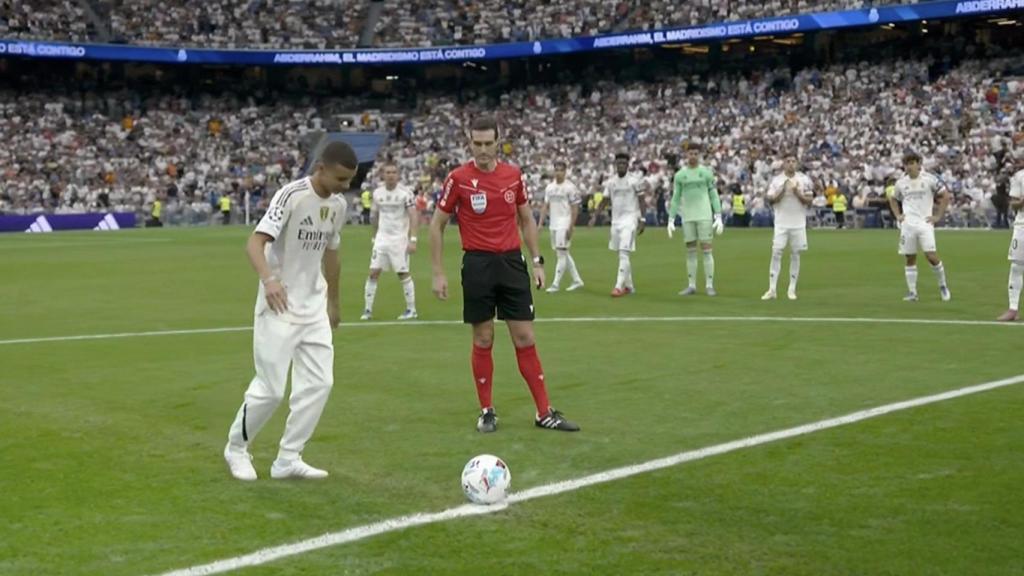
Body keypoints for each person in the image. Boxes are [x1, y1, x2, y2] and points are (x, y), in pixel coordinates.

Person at [429, 115, 579, 433]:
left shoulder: (513, 175)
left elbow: (525, 220)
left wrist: (537, 261)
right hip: (478, 264)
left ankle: (543, 412)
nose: (482, 149)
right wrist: (438, 272)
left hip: (511, 263)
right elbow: (436, 225)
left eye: (488, 143)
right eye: (477, 143)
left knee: (525, 337)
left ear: (499, 142)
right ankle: (487, 410)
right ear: (470, 143)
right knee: (483, 338)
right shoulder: (458, 178)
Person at [223, 141, 357, 481]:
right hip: (279, 305)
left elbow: (332, 254)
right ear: (321, 168)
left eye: (350, 180)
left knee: (320, 383)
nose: (346, 186)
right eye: (341, 178)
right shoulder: (291, 195)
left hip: (314, 308)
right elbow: (255, 243)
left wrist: (334, 302)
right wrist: (269, 281)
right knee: (270, 389)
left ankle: (288, 458)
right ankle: (236, 448)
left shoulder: (338, 206)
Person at [888, 152, 951, 302]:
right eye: (906, 164)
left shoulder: (929, 179)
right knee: (910, 257)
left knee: (931, 256)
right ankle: (912, 292)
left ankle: (943, 286)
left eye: (911, 163)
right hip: (908, 225)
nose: (909, 167)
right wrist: (898, 215)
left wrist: (937, 216)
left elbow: (945, 196)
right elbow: (893, 199)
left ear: (918, 164)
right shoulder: (901, 183)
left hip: (925, 223)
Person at [360, 162, 419, 320]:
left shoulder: (405, 193)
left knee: (402, 272)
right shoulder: (378, 193)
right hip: (382, 239)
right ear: (383, 175)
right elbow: (374, 216)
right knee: (373, 272)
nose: (391, 175)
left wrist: (413, 239)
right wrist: (374, 235)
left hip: (399, 239)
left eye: (394, 172)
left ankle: (411, 309)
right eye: (388, 172)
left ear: (398, 175)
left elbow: (413, 215)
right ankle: (367, 310)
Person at [668, 145, 723, 296]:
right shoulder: (680, 175)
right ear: (686, 155)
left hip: (704, 215)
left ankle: (709, 285)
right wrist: (671, 218)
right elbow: (676, 197)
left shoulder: (706, 173)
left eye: (695, 153)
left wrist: (718, 215)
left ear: (699, 155)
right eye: (690, 153)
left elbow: (713, 194)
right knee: (690, 251)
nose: (693, 156)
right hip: (688, 216)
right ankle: (691, 285)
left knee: (706, 250)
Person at [762, 153, 814, 300]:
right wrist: (783, 190)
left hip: (798, 223)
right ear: (783, 164)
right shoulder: (777, 180)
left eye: (793, 161)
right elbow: (771, 200)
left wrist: (797, 192)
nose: (791, 164)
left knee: (795, 254)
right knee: (776, 252)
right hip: (781, 223)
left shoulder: (804, 179)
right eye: (788, 161)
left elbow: (809, 200)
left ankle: (792, 289)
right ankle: (772, 289)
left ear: (796, 164)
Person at [598, 153, 647, 297]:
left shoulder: (634, 181)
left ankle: (618, 286)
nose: (621, 165)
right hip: (616, 221)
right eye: (618, 163)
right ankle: (629, 286)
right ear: (615, 165)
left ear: (627, 165)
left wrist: (642, 219)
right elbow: (605, 200)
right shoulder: (611, 182)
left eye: (623, 163)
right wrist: (594, 216)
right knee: (622, 254)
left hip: (630, 220)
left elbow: (642, 200)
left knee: (624, 253)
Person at [538, 160, 585, 293]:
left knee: (561, 254)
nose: (558, 172)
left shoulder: (570, 187)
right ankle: (577, 280)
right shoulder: (550, 188)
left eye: (561, 170)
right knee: (563, 252)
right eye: (556, 170)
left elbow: (575, 208)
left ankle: (555, 284)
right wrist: (540, 223)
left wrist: (571, 226)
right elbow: (545, 206)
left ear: (565, 171)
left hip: (564, 222)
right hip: (553, 223)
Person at [998, 164, 1024, 321]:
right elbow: (1013, 204)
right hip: (1022, 226)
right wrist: (1022, 202)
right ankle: (1013, 309)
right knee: (1016, 266)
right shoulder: (1019, 176)